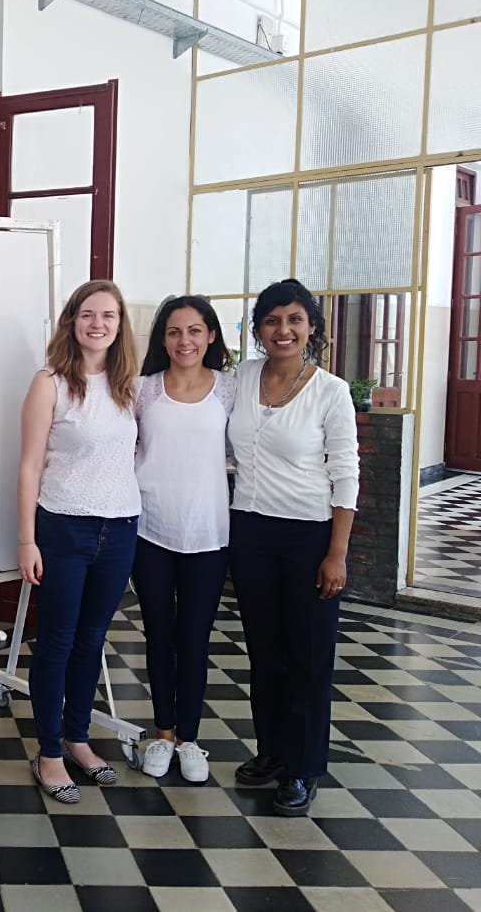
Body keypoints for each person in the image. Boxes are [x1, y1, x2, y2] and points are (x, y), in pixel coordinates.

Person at [227, 278, 358, 817]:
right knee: (264, 650)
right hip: (249, 530)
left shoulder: (330, 390)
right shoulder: (243, 377)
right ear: (258, 329)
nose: (283, 330)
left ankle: (303, 767)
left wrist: (336, 552)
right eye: (272, 320)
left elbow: (345, 474)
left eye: (294, 320)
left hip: (308, 534)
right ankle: (272, 750)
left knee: (307, 655)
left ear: (311, 327)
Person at [17, 280, 140, 805]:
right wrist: (26, 540)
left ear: (119, 325)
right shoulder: (50, 383)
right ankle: (48, 752)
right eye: (88, 314)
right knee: (58, 643)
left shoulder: (128, 385)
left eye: (108, 315)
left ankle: (78, 738)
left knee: (92, 641)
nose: (98, 324)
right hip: (64, 528)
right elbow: (29, 466)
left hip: (120, 529)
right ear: (72, 321)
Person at [132, 296, 236, 784]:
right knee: (159, 634)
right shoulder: (143, 390)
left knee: (194, 638)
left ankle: (190, 739)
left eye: (195, 331)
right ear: (162, 338)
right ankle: (164, 734)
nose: (185, 341)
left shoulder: (230, 390)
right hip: (149, 530)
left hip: (208, 533)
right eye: (174, 332)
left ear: (211, 335)